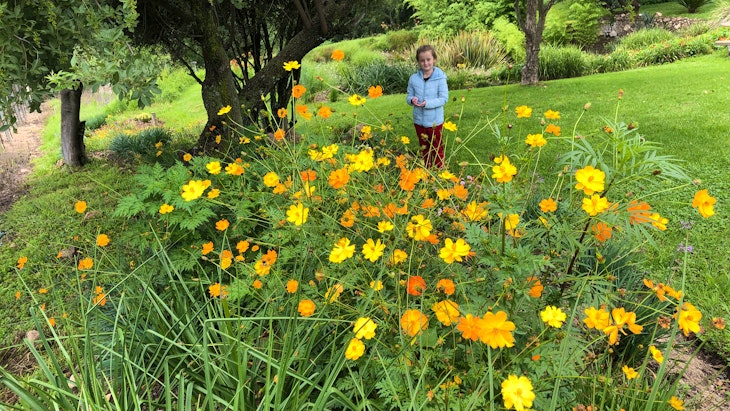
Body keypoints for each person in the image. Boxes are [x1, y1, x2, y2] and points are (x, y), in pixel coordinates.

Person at [406, 45, 449, 168]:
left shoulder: (440, 78)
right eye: (422, 60)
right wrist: (412, 100)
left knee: (437, 147)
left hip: (435, 122)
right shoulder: (414, 79)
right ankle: (428, 169)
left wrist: (427, 103)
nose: (426, 63)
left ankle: (440, 170)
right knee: (424, 148)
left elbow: (443, 98)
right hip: (419, 121)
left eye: (428, 59)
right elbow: (409, 96)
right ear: (418, 61)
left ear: (434, 59)